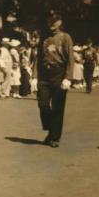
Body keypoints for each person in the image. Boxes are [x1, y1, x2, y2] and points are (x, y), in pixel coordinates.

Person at [36, 16, 74, 147]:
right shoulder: (44, 38)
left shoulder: (65, 37)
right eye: (49, 21)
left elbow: (70, 58)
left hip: (59, 73)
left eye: (54, 22)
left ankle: (55, 137)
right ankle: (51, 129)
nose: (51, 24)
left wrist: (68, 77)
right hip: (45, 75)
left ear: (60, 23)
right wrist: (36, 76)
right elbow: (39, 57)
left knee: (58, 107)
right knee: (43, 104)